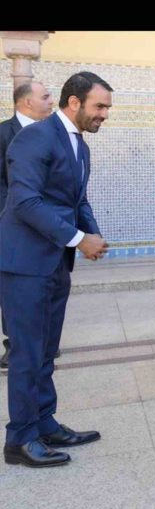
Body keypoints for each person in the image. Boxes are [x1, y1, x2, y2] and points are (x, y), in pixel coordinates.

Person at [1, 72, 111, 468]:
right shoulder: (34, 137)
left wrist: (92, 234)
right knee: (27, 354)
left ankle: (44, 422)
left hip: (53, 262)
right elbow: (25, 203)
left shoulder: (78, 145)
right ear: (74, 102)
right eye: (99, 107)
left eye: (107, 108)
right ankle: (20, 439)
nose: (105, 115)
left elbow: (76, 200)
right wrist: (77, 239)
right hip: (25, 264)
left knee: (46, 350)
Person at [0, 80, 54, 370]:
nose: (51, 102)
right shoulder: (3, 133)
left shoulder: (50, 134)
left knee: (44, 284)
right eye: (45, 97)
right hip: (13, 224)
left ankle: (44, 342)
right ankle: (14, 344)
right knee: (13, 287)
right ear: (27, 102)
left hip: (46, 225)